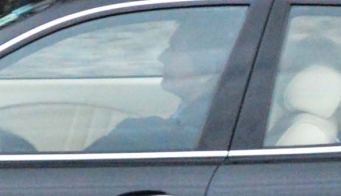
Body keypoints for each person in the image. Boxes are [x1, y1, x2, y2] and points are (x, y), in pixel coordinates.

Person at [86, 15, 234, 153]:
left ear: (209, 66)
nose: (162, 57)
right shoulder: (210, 115)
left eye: (174, 49)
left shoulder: (193, 131)